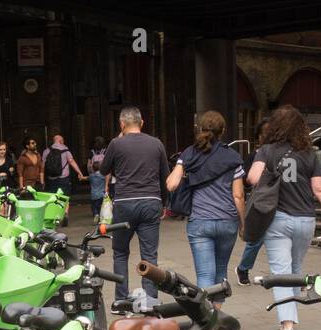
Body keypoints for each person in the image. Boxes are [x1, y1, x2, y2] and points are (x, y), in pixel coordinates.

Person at [247, 105, 321, 330]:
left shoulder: (266, 151)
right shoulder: (309, 154)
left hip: (278, 219)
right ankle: (294, 299)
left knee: (281, 273)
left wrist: (271, 174)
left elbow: (253, 178)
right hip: (306, 220)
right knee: (295, 268)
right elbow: (320, 188)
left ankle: (287, 327)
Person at [166, 110, 244, 311]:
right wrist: (242, 222)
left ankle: (206, 323)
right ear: (223, 131)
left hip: (200, 222)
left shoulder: (189, 154)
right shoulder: (233, 156)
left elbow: (171, 185)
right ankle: (216, 315)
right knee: (220, 271)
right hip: (227, 221)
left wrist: (181, 167)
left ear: (199, 129)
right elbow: (238, 196)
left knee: (204, 275)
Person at [100, 106, 170, 309]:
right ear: (142, 123)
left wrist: (118, 141)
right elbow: (164, 175)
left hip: (124, 203)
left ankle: (121, 300)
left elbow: (104, 169)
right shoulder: (156, 144)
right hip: (151, 201)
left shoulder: (116, 143)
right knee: (149, 254)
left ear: (122, 124)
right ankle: (149, 301)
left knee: (120, 252)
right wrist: (163, 203)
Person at [236, 120, 269, 285]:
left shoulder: (284, 153)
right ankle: (243, 267)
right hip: (260, 201)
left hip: (281, 202)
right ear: (260, 137)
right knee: (257, 239)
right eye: (266, 133)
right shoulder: (254, 156)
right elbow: (245, 180)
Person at [87, 136, 107, 221]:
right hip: (103, 173)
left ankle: (95, 214)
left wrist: (90, 172)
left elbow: (88, 164)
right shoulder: (105, 151)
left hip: (94, 174)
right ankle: (102, 214)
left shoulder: (91, 152)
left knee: (94, 203)